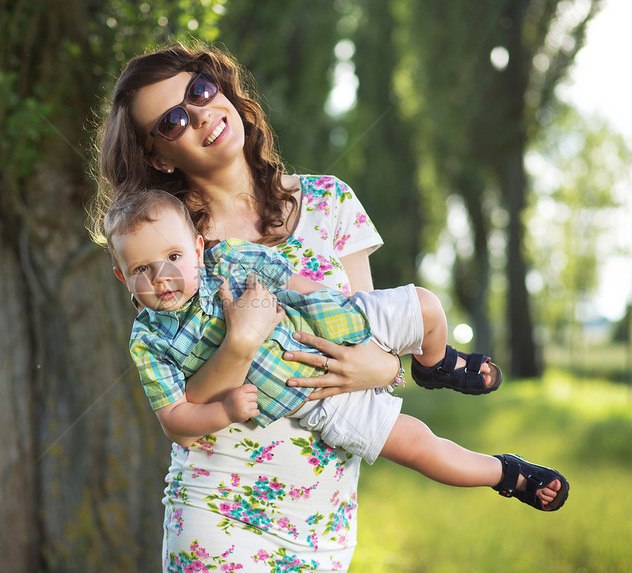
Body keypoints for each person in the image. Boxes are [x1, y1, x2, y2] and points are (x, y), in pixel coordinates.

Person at [91, 42, 565, 572]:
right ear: (158, 156)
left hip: (323, 517)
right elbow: (186, 404)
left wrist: (386, 367)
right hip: (216, 513)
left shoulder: (329, 202)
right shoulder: (165, 246)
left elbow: (371, 336)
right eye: (173, 121)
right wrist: (241, 344)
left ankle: (502, 471)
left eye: (200, 90)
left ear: (221, 88)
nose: (200, 114)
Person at [103, 187, 566, 506]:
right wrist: (222, 411)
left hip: (332, 321)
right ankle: (509, 475)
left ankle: (437, 363)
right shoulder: (149, 341)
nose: (161, 276)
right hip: (317, 398)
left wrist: (339, 305)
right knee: (418, 444)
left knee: (424, 305)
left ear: (199, 248)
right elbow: (175, 419)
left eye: (174, 257)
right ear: (123, 277)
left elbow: (291, 280)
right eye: (142, 269)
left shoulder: (227, 258)